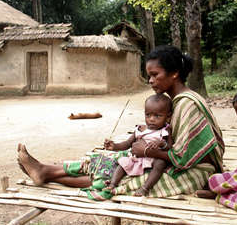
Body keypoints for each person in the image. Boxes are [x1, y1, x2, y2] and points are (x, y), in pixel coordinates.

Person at [17, 45, 225, 200]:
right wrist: (138, 149)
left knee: (124, 179)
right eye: (148, 75)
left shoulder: (188, 104)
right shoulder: (176, 101)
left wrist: (147, 152)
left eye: (155, 75)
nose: (150, 80)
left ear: (174, 73)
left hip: (197, 169)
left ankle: (47, 175)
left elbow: (184, 156)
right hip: (166, 159)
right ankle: (45, 170)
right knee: (115, 161)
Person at [104, 94, 173, 196]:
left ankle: (145, 188)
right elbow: (127, 143)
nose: (151, 119)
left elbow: (170, 147)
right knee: (122, 163)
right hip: (137, 158)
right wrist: (115, 146)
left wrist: (162, 143)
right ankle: (113, 184)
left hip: (154, 159)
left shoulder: (165, 130)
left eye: (157, 116)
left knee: (160, 164)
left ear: (168, 117)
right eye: (148, 115)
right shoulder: (140, 129)